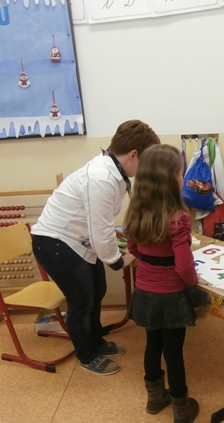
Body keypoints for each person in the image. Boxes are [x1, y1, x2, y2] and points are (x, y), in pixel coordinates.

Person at [32, 120, 160, 376]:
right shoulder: (101, 177)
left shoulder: (113, 171)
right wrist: (118, 261)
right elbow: (100, 229)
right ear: (133, 154)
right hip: (55, 243)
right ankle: (87, 354)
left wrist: (115, 235)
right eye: (145, 161)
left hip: (77, 240)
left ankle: (95, 341)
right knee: (81, 300)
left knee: (97, 291)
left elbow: (98, 220)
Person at [123, 144, 200, 423]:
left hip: (144, 291)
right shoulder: (179, 219)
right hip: (172, 296)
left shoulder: (135, 213)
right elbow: (184, 266)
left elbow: (133, 249)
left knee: (152, 344)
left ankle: (155, 399)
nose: (183, 177)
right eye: (180, 173)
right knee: (174, 352)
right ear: (170, 180)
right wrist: (193, 284)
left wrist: (151, 264)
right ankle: (181, 410)